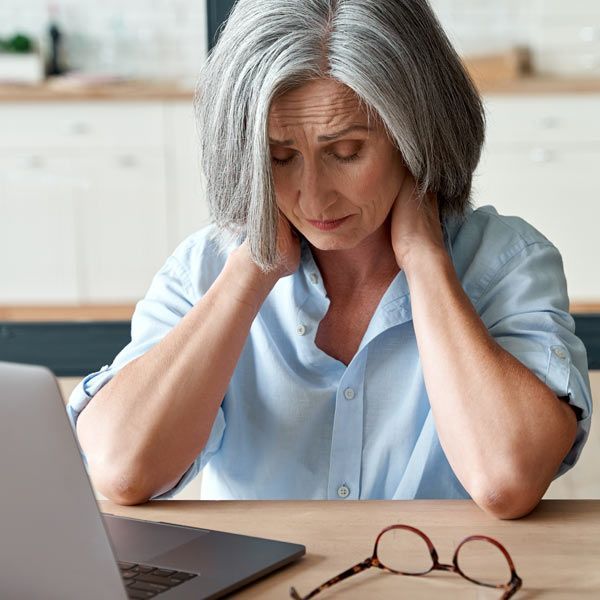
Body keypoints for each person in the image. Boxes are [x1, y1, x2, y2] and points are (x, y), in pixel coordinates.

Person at [67, 0, 592, 519]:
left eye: (346, 153)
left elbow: (507, 480)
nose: (313, 199)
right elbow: (122, 469)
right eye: (279, 158)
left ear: (417, 137)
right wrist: (253, 269)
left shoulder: (506, 264)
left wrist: (425, 260)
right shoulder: (203, 270)